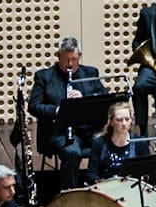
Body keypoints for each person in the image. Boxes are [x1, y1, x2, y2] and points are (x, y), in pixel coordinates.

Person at [29, 37, 104, 191]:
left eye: (74, 59)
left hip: (89, 129)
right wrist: (58, 110)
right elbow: (34, 106)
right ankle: (69, 193)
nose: (70, 64)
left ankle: (102, 188)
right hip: (60, 131)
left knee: (109, 144)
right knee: (72, 152)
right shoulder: (44, 77)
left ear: (80, 56)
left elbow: (103, 99)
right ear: (58, 56)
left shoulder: (91, 72)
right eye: (66, 60)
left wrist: (84, 100)